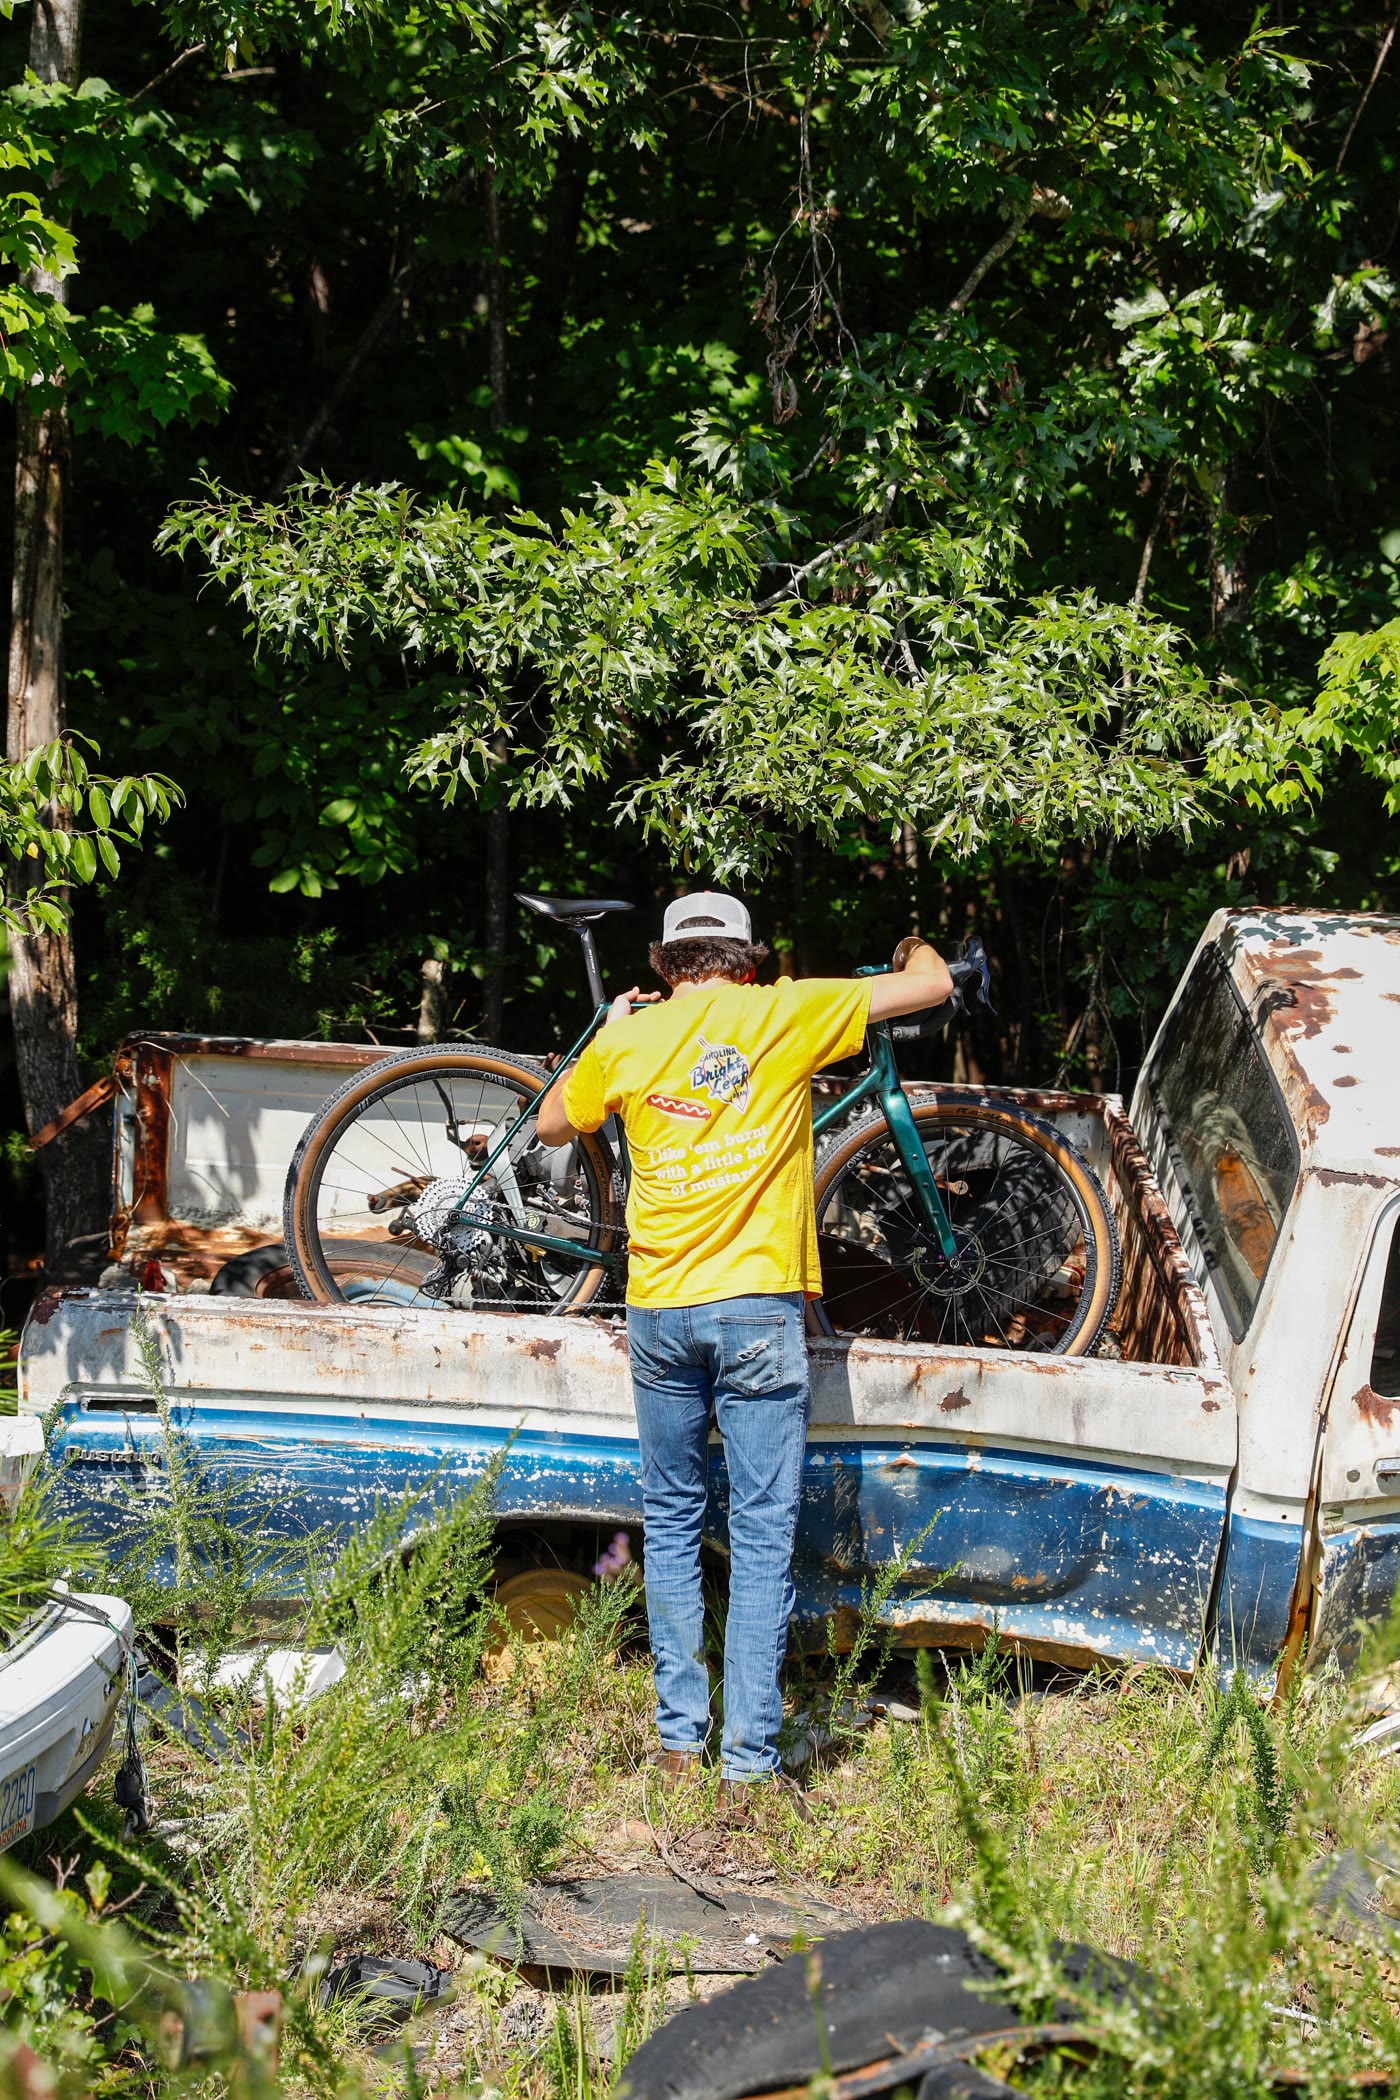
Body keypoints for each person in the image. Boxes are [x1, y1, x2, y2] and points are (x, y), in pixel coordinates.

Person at [535, 893, 952, 1799]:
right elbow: (932, 984)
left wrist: (609, 1033)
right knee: (762, 1543)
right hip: (756, 1309)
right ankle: (749, 1771)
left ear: (664, 967)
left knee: (674, 1525)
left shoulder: (632, 1037)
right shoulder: (782, 1009)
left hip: (657, 1310)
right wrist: (912, 939)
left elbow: (553, 1128)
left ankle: (681, 1745)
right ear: (748, 958)